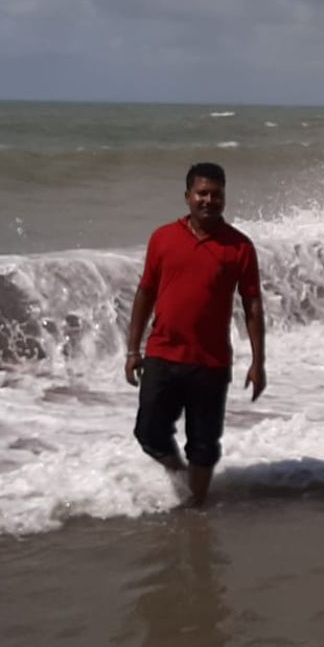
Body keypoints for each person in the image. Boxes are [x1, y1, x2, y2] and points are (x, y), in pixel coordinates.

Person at [124, 162, 265, 506]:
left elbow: (253, 306)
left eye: (217, 194)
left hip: (211, 361)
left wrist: (258, 362)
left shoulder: (239, 247)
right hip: (162, 354)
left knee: (203, 444)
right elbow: (145, 293)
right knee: (148, 433)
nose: (209, 200)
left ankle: (194, 507)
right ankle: (178, 474)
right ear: (187, 196)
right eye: (202, 193)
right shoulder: (162, 238)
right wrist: (132, 350)